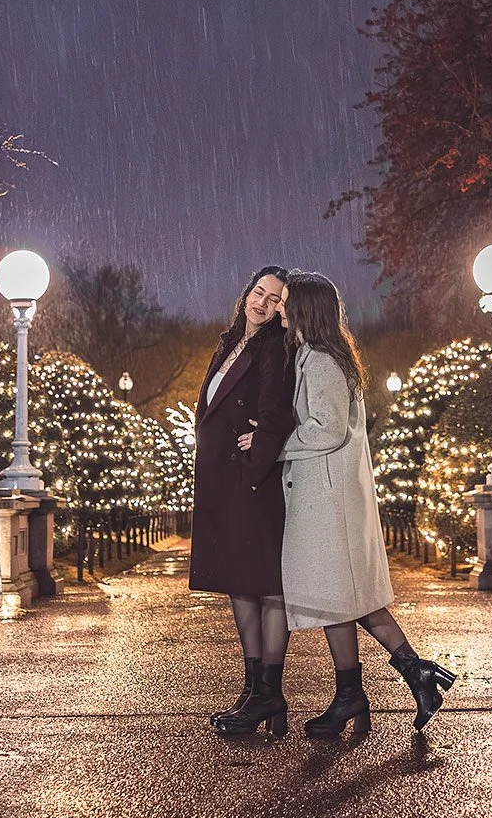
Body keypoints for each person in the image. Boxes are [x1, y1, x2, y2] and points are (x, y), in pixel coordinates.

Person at [262, 270, 459, 737]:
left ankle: (386, 684)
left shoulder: (323, 362)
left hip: (327, 502)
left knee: (341, 600)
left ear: (306, 308)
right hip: (327, 497)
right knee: (342, 601)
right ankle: (388, 683)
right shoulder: (319, 356)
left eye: (287, 301)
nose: (280, 308)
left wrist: (274, 446)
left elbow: (327, 429)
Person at [190, 266, 298, 735]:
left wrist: (261, 445)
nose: (263, 303)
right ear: (246, 294)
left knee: (268, 584)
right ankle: (253, 689)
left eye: (275, 300)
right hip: (224, 480)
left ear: (282, 309)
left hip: (253, 481)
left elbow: (278, 409)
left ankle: (269, 694)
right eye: (260, 292)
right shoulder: (230, 340)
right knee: (241, 582)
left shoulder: (274, 348)